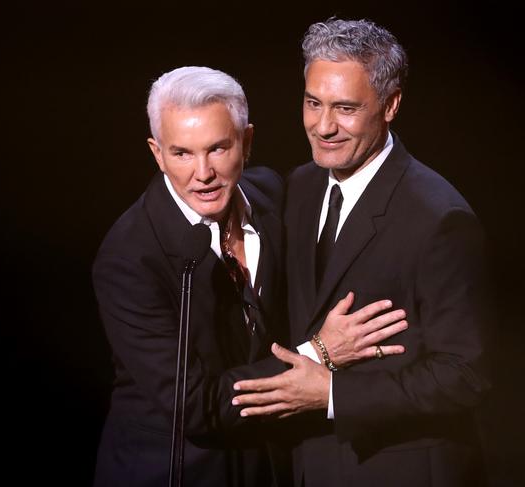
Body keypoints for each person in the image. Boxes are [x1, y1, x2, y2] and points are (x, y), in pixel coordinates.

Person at [92, 66, 408, 487]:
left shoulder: (273, 196)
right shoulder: (129, 256)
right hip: (177, 471)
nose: (202, 173)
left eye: (218, 149)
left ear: (247, 141)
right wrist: (319, 352)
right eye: (181, 153)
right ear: (157, 152)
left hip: (268, 465)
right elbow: (197, 406)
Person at [232, 18, 494, 486]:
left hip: (401, 470)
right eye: (313, 103)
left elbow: (465, 374)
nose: (323, 126)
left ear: (391, 105)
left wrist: (333, 393)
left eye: (346, 108)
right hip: (310, 465)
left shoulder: (440, 219)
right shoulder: (302, 185)